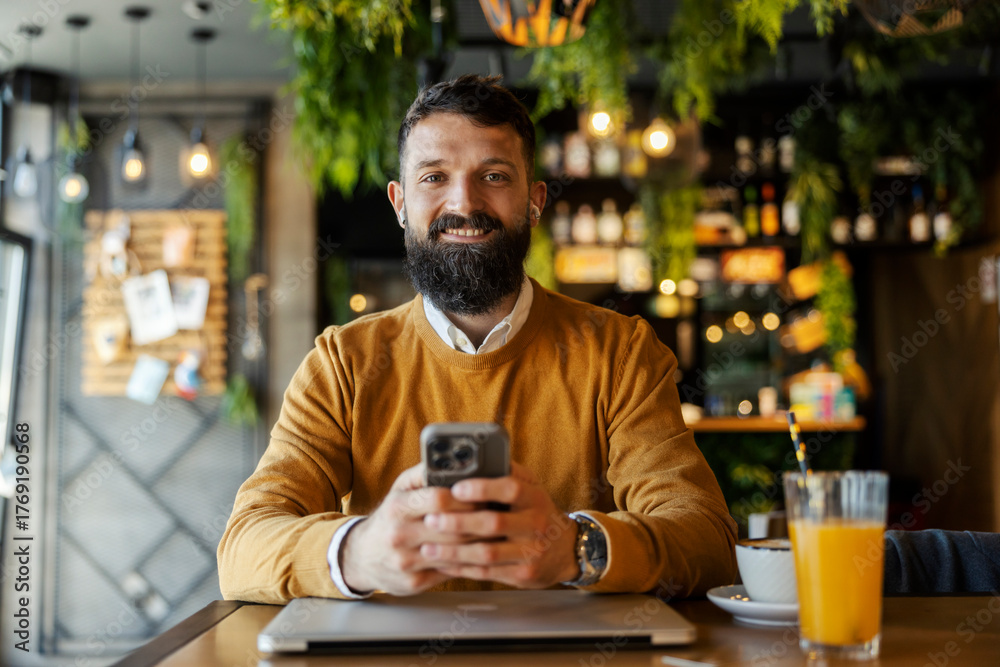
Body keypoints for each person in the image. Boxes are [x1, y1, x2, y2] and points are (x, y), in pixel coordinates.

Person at [217, 74, 738, 604]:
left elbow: (706, 540)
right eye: (434, 177)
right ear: (399, 203)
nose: (464, 203)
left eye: (493, 175)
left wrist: (574, 549)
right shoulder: (343, 363)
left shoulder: (621, 352)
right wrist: (359, 552)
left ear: (535, 201)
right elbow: (243, 548)